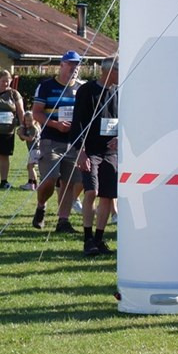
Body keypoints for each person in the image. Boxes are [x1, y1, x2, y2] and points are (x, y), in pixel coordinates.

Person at [31, 51, 85, 232]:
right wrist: (56, 124)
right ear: (61, 65)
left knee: (69, 182)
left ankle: (63, 220)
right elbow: (36, 112)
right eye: (71, 64)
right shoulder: (46, 86)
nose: (74, 68)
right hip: (51, 139)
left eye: (77, 65)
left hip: (74, 141)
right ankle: (41, 205)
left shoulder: (82, 88)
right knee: (50, 179)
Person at [72, 58, 120, 255]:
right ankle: (87, 238)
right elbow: (77, 123)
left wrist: (120, 137)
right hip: (90, 151)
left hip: (111, 153)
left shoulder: (119, 92)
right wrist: (80, 151)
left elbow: (126, 120)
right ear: (107, 72)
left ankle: (99, 239)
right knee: (91, 191)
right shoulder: (87, 91)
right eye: (118, 71)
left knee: (108, 195)